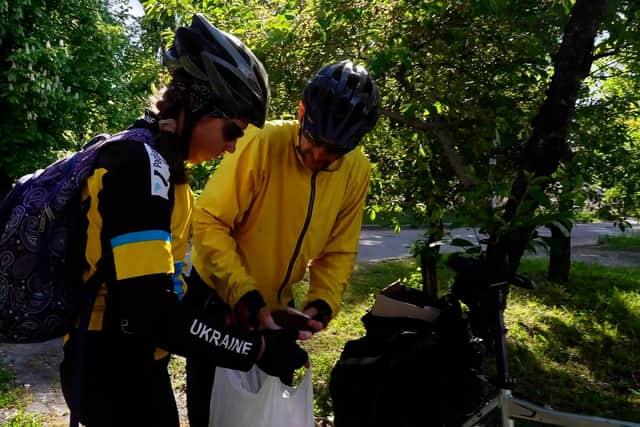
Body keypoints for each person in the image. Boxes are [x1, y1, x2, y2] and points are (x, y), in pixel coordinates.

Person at [58, 13, 307, 427]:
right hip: (112, 370)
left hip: (132, 364)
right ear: (197, 108)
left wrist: (243, 311)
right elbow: (150, 313)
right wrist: (255, 351)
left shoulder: (166, 174)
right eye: (232, 131)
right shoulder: (139, 169)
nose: (231, 148)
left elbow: (161, 281)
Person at [185, 59, 381, 426]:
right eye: (316, 141)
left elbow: (338, 251)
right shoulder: (262, 142)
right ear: (302, 113)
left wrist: (322, 305)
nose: (320, 157)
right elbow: (210, 221)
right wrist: (244, 297)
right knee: (212, 416)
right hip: (218, 300)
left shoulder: (357, 171)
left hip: (277, 309)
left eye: (336, 151)